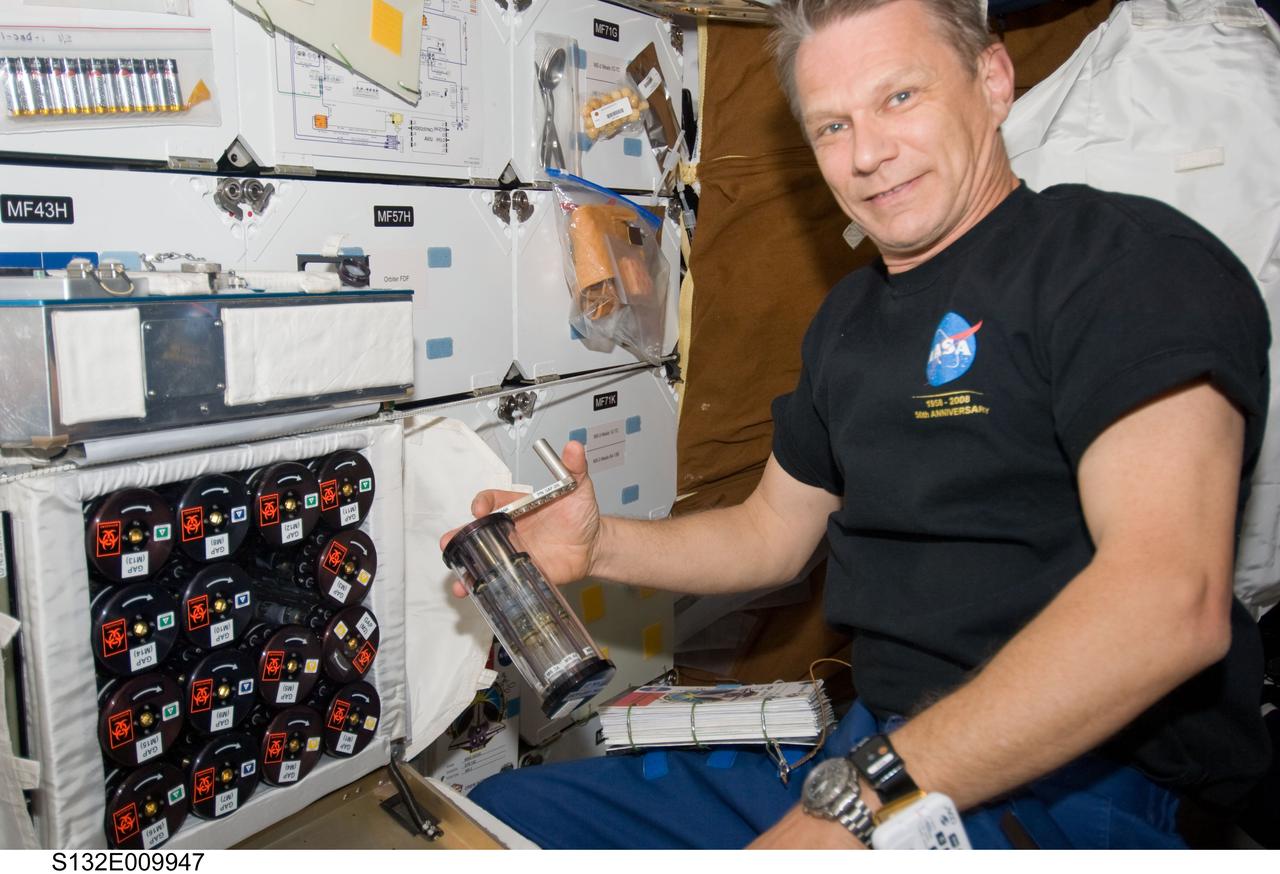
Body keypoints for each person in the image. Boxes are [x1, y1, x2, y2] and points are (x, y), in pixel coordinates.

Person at [443, 0, 1272, 849]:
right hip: (878, 750)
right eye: (831, 125)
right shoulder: (849, 321)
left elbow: (1169, 603)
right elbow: (770, 535)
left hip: (1091, 777)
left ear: (992, 81)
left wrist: (859, 802)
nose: (868, 154)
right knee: (499, 824)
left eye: (900, 99)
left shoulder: (1124, 263)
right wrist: (597, 546)